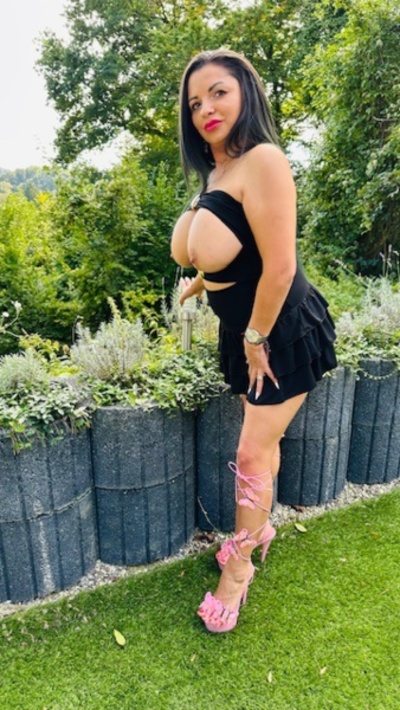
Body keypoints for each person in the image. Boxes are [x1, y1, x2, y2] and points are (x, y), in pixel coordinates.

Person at [171, 49, 337, 633]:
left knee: (248, 453)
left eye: (218, 92)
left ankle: (239, 566)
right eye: (195, 102)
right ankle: (259, 526)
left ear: (245, 92)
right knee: (261, 446)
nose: (206, 109)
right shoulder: (218, 173)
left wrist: (256, 336)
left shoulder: (263, 159)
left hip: (277, 331)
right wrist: (202, 283)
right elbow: (232, 247)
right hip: (245, 332)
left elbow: (281, 264)